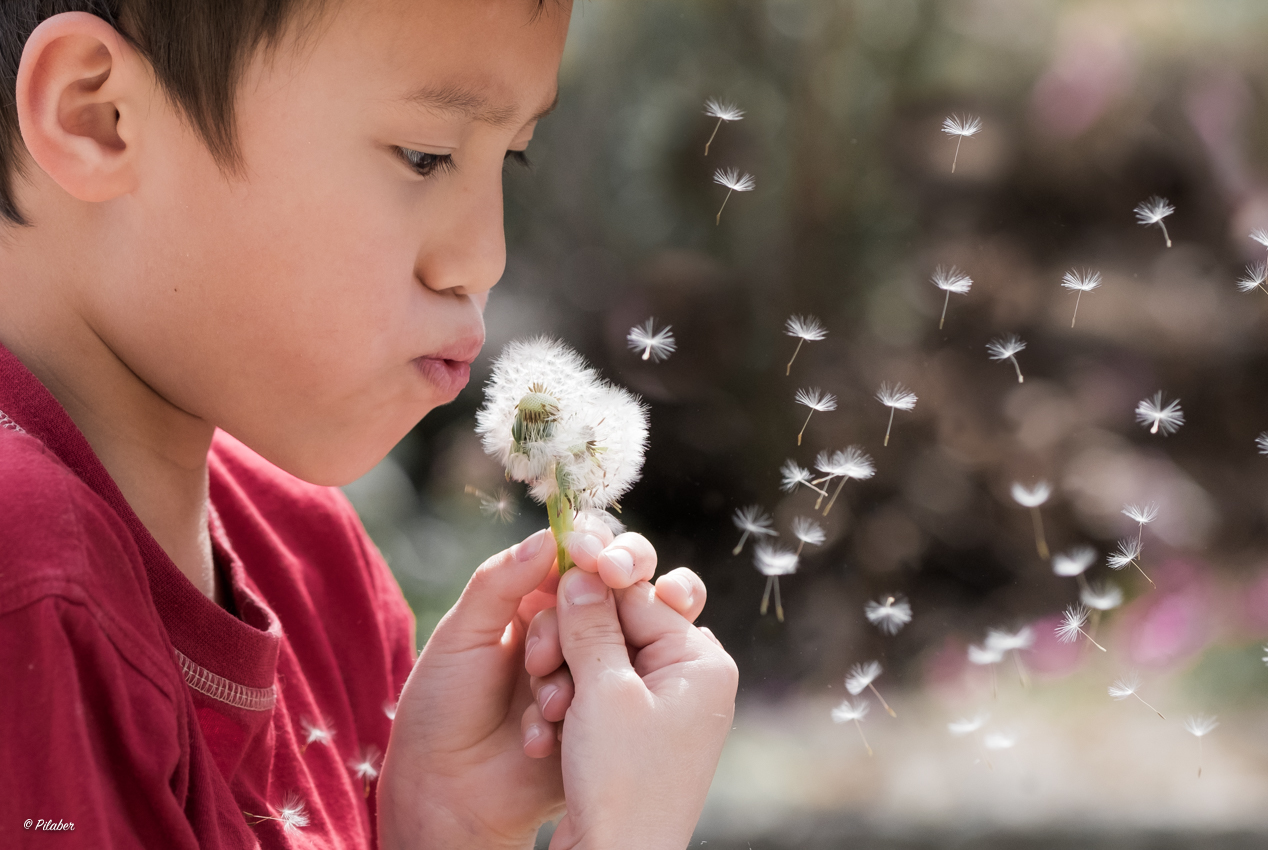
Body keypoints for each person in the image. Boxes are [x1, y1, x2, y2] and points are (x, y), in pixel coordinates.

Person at [0, 1, 738, 848]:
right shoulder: (27, 579)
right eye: (425, 155)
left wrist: (443, 825)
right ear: (99, 117)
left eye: (514, 157)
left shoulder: (314, 566)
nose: (482, 258)